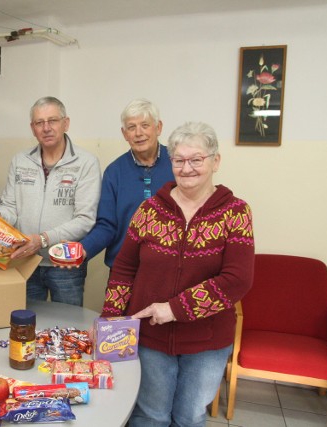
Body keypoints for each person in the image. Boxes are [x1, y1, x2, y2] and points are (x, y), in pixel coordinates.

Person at [101, 122, 255, 427]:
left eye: (196, 159)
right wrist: (110, 319)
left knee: (189, 417)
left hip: (207, 343)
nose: (187, 168)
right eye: (179, 160)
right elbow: (124, 269)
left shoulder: (236, 212)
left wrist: (174, 309)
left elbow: (237, 280)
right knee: (150, 415)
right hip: (150, 338)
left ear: (215, 161)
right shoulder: (149, 210)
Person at [0, 96, 101, 306]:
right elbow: (10, 205)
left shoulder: (86, 163)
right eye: (39, 123)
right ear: (32, 128)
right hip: (25, 262)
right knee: (26, 325)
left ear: (66, 123)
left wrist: (43, 239)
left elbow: (85, 219)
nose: (46, 128)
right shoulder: (20, 160)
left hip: (65, 266)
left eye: (52, 120)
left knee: (67, 327)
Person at [79, 98, 174, 269]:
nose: (138, 133)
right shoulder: (114, 172)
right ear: (124, 134)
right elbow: (107, 226)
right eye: (132, 127)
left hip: (170, 268)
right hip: (124, 269)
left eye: (145, 125)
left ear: (158, 127)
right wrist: (82, 249)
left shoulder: (178, 164)